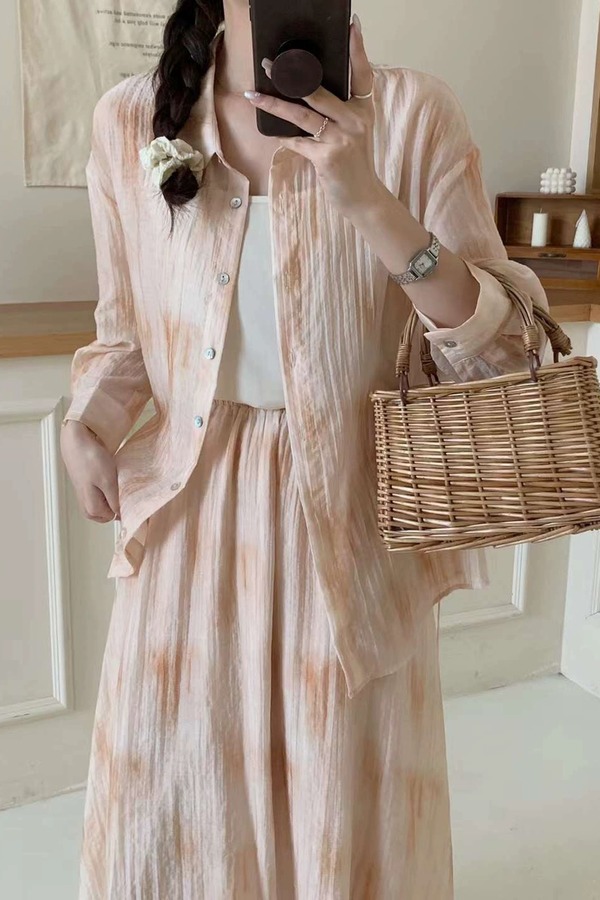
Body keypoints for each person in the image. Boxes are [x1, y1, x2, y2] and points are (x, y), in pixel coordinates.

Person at [60, 0, 550, 896]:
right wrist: (84, 423)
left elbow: (503, 353)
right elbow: (123, 331)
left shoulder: (413, 115)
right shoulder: (133, 118)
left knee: (341, 802)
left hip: (349, 526)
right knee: (176, 805)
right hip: (189, 529)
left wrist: (368, 199)